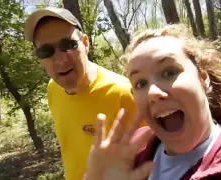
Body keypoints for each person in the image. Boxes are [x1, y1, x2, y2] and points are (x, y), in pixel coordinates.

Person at [84, 24, 221, 180]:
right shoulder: (131, 153)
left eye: (169, 72)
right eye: (141, 83)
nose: (153, 93)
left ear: (203, 79)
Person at [24, 7, 140, 180]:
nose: (60, 59)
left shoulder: (123, 93)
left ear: (85, 43)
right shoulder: (53, 89)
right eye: (46, 51)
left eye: (68, 45)